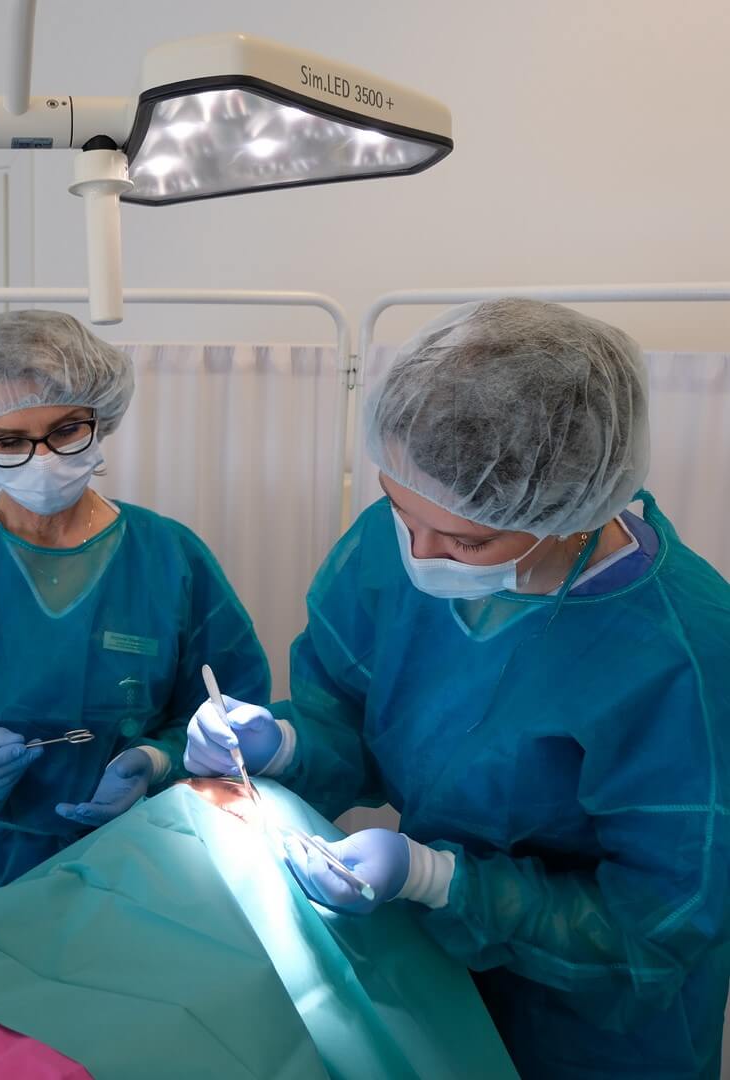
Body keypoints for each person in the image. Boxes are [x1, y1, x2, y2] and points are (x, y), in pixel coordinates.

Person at [184, 298, 730, 1078]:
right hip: (437, 983)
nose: (419, 553)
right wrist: (284, 743)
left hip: (596, 1034)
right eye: (399, 509)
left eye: (465, 540)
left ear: (571, 507)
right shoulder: (396, 541)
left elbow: (659, 925)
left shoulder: (682, 658)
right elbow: (351, 714)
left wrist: (438, 879)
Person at [0, 309, 269, 894]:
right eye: (10, 441)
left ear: (101, 417)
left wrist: (158, 761)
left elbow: (231, 715)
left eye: (67, 430)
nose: (43, 458)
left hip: (142, 861)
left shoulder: (169, 557)